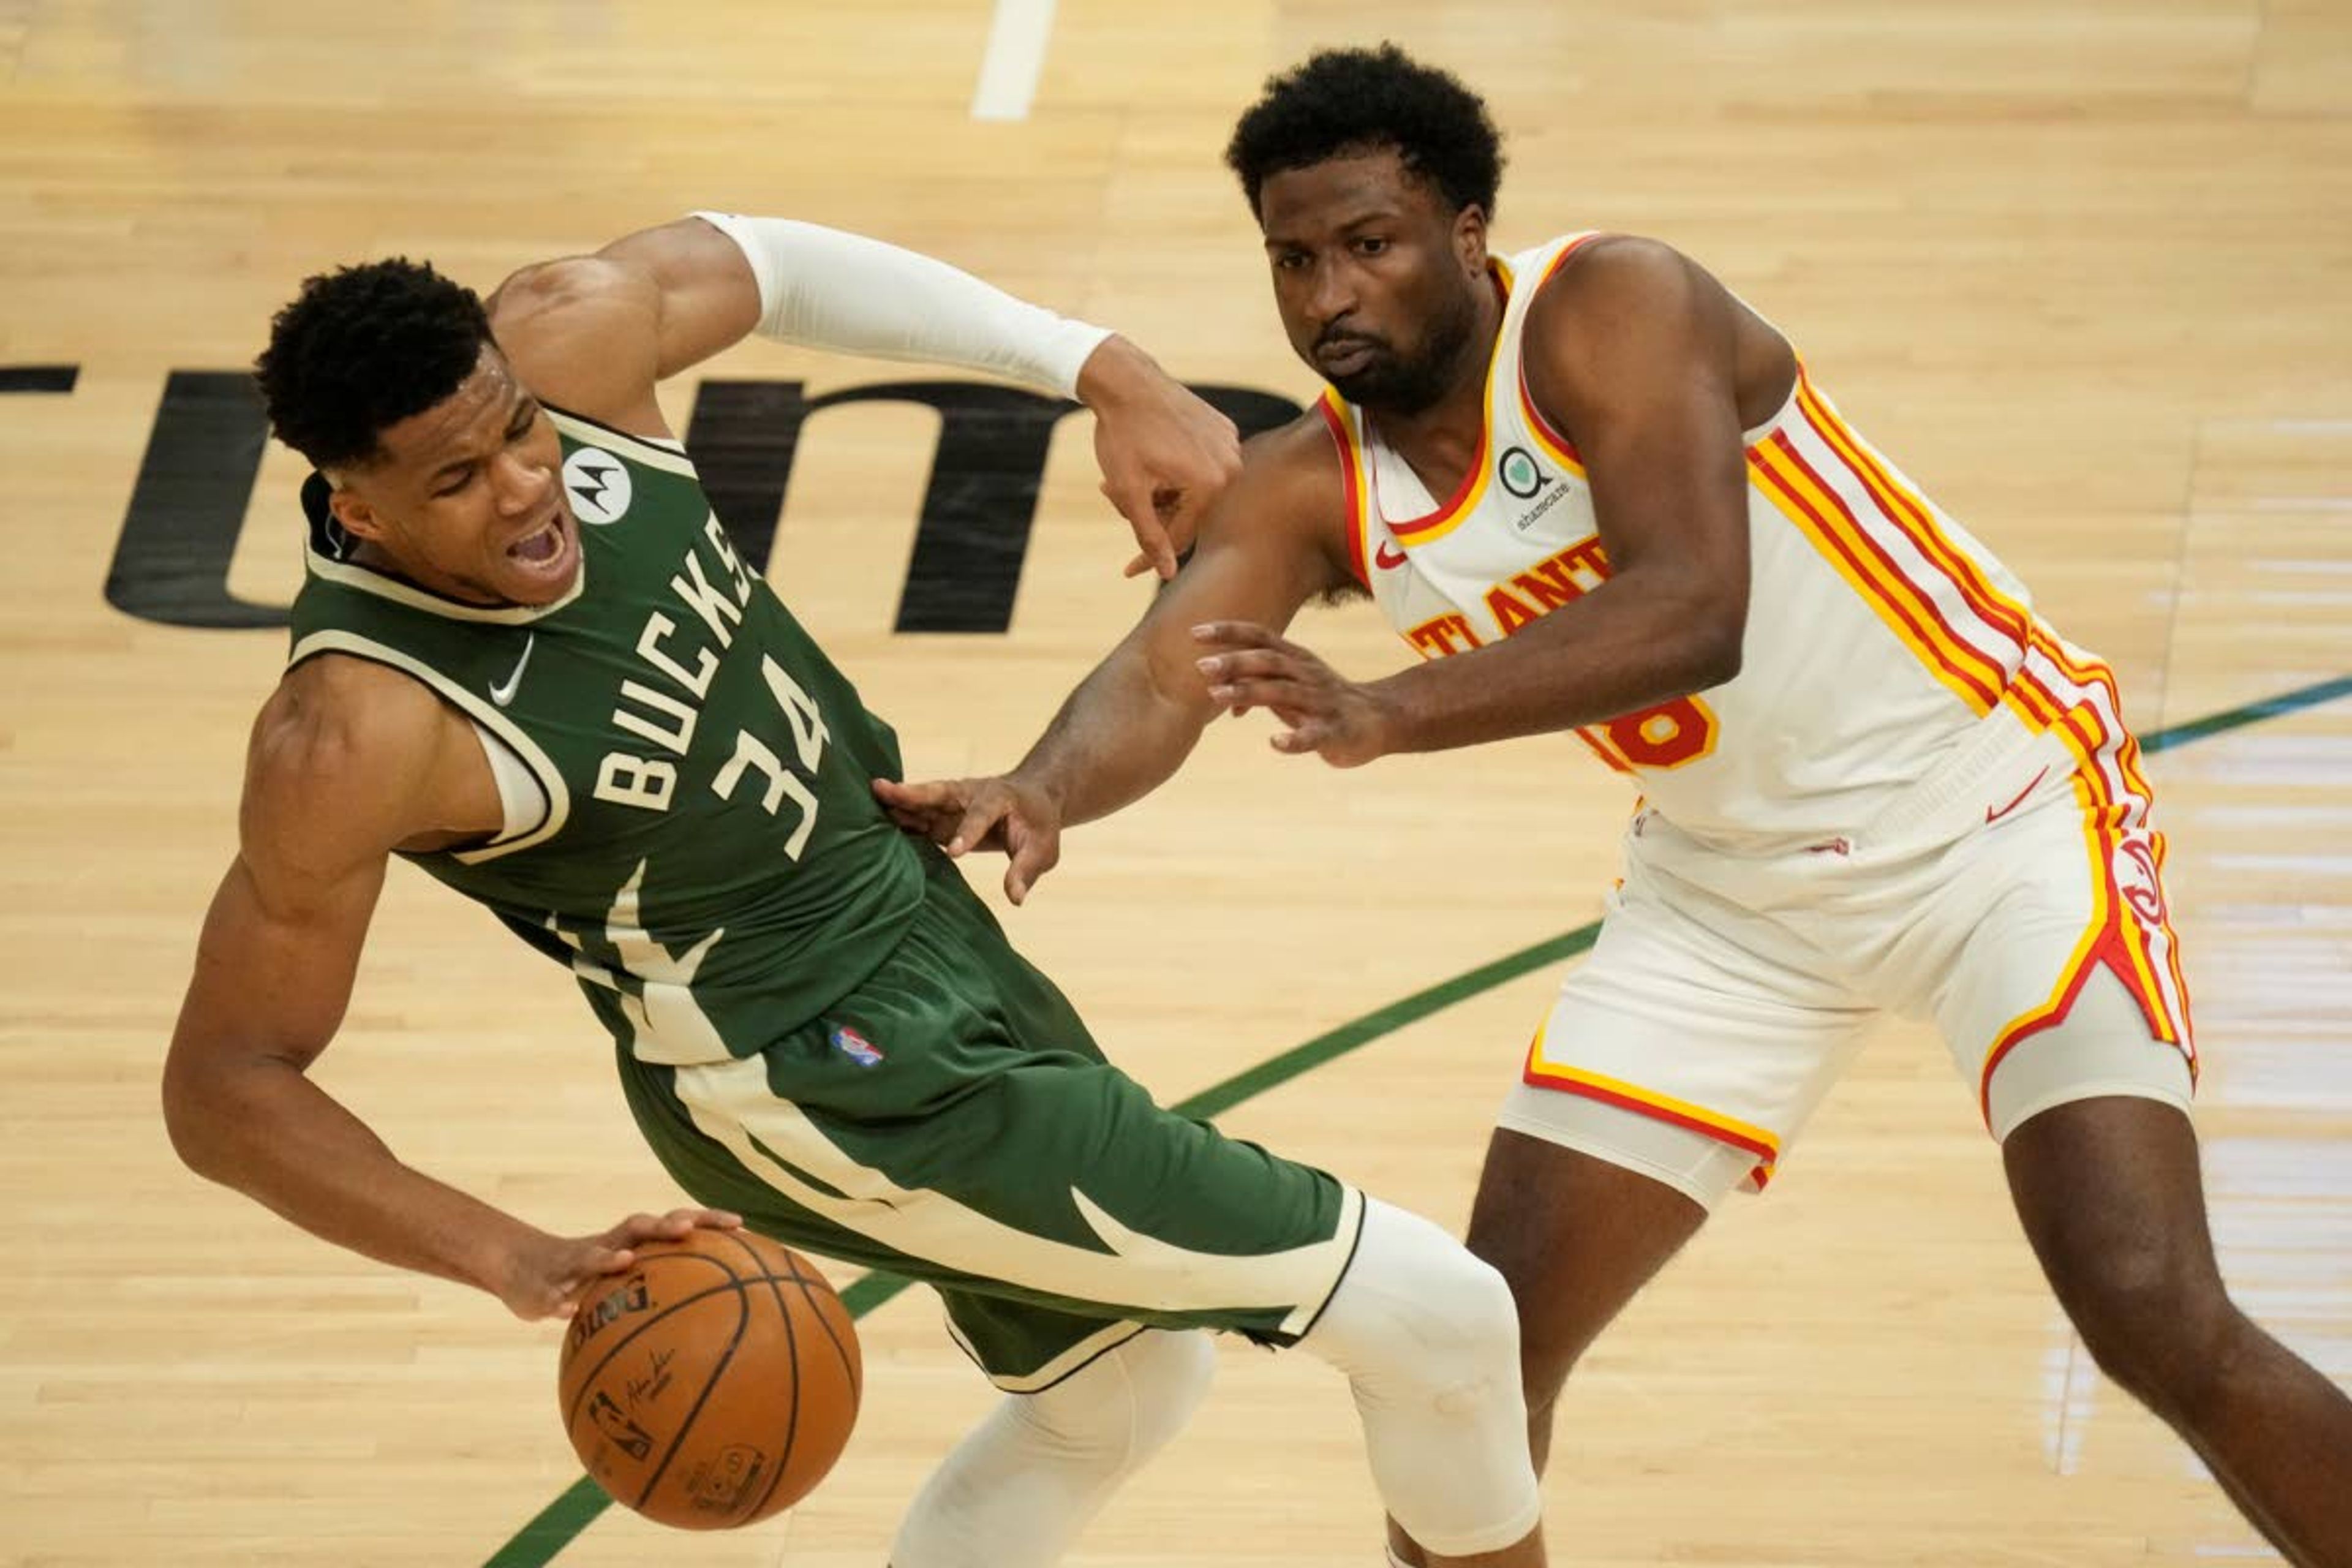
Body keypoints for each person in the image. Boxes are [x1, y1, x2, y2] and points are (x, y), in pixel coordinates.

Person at [875, 45, 2352, 1568]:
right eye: (1293, 259)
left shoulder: (1614, 306)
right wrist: (1039, 785)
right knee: (1471, 1372)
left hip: (2001, 812)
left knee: (2144, 1299)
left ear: (1466, 232)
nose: (1328, 298)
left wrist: (1391, 710)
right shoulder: (1311, 480)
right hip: (1730, 901)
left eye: (1369, 245)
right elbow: (1169, 667)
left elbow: (1692, 603)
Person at [159, 210, 1551, 1567]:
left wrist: (1101, 367)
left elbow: (775, 267)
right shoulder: (357, 730)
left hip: (917, 919)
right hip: (816, 1071)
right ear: (358, 508)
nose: (524, 484)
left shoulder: (569, 339)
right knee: (1444, 1321)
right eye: (456, 481)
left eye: (516, 430)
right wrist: (511, 1253)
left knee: (1116, 1391)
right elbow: (226, 1083)